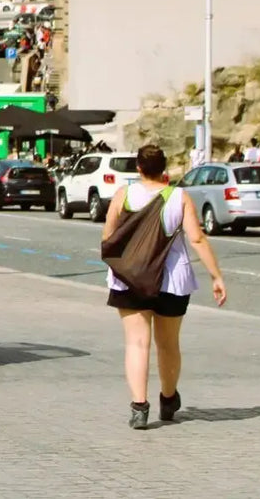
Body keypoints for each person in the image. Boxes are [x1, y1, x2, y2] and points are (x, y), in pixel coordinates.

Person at [102, 144, 226, 430]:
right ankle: (168, 400)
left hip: (130, 278)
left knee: (136, 343)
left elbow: (108, 236)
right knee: (168, 344)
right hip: (172, 280)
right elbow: (196, 239)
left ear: (139, 169)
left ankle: (139, 407)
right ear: (164, 170)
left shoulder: (124, 195)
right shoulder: (179, 197)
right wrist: (216, 276)